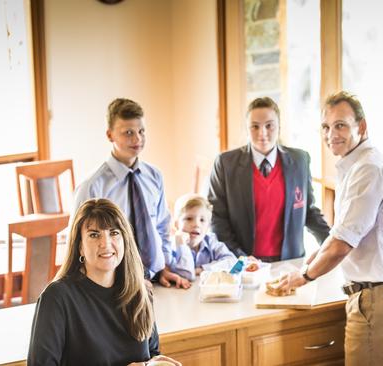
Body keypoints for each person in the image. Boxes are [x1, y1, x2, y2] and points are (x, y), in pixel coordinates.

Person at [276, 91, 383, 366]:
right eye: (326, 127)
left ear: (361, 127)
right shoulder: (362, 166)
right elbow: (340, 233)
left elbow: (342, 244)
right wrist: (312, 260)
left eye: (340, 125)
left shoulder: (368, 170)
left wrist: (305, 276)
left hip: (376, 302)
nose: (331, 134)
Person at [27, 198, 181, 366]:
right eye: (94, 235)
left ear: (125, 240)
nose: (106, 243)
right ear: (80, 246)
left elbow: (152, 355)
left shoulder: (141, 291)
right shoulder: (57, 297)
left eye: (114, 233)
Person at [74, 98, 189, 289]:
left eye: (141, 131)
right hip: (114, 286)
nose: (137, 139)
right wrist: (124, 282)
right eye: (128, 133)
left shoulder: (154, 176)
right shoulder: (92, 187)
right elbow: (80, 243)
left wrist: (164, 267)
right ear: (110, 135)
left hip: (155, 281)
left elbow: (161, 226)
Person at [208, 97, 330, 262]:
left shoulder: (300, 160)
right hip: (243, 263)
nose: (262, 133)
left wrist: (332, 244)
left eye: (269, 125)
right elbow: (217, 218)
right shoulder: (225, 164)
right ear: (247, 128)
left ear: (279, 127)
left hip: (290, 262)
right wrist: (240, 258)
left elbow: (308, 211)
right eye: (255, 126)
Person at [171, 194, 236, 281]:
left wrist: (203, 269)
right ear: (176, 224)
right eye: (189, 219)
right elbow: (187, 275)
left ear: (208, 226)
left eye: (202, 220)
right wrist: (182, 245)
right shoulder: (172, 247)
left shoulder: (211, 242)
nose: (196, 224)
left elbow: (232, 261)